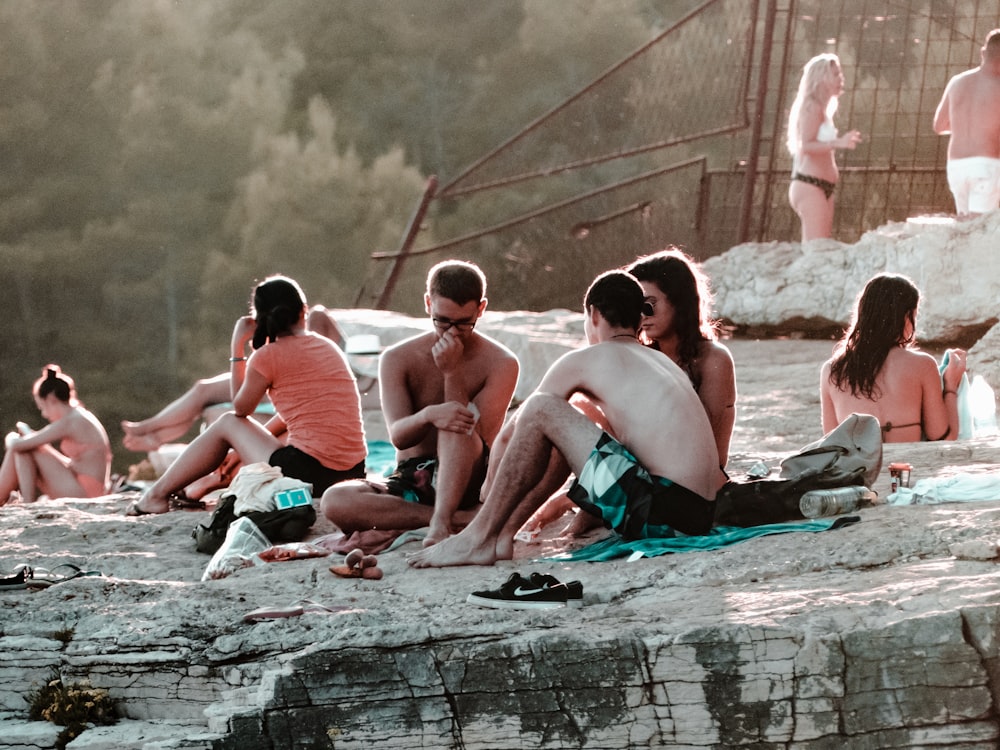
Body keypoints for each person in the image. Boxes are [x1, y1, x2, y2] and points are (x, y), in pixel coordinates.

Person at [408, 270, 726, 568]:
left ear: (594, 315)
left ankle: (478, 536)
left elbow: (523, 422)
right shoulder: (658, 361)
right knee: (562, 423)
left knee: (545, 407)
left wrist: (487, 490)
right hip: (696, 516)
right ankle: (501, 537)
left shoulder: (584, 359)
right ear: (639, 319)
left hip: (661, 517)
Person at [320, 260, 519, 547]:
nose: (452, 331)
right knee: (335, 500)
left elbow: (478, 435)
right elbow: (400, 437)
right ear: (428, 304)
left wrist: (452, 373)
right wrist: (428, 415)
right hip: (413, 480)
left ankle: (441, 520)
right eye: (442, 320)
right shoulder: (397, 358)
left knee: (456, 420)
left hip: (469, 478)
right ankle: (453, 519)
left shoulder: (502, 362)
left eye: (464, 323)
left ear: (481, 309)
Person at [126, 276, 365, 515]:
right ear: (304, 311)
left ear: (258, 320)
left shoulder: (268, 356)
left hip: (309, 475)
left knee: (228, 423)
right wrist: (243, 446)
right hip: (352, 474)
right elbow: (297, 415)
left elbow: (240, 410)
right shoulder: (326, 346)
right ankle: (197, 489)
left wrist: (237, 347)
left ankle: (155, 496)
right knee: (276, 435)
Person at [121, 305, 346, 452]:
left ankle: (151, 432)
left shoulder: (320, 326)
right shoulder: (286, 328)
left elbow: (242, 406)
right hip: (272, 373)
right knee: (203, 390)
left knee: (215, 403)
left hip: (285, 384)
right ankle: (154, 434)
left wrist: (241, 348)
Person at [820, 273, 966, 443]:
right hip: (907, 467)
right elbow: (944, 438)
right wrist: (951, 385)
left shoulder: (831, 371)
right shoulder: (922, 365)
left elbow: (831, 444)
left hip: (859, 469)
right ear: (906, 317)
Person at [0, 365, 112, 505]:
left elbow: (17, 445)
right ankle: (22, 500)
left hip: (85, 493)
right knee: (29, 448)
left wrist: (11, 437)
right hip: (85, 486)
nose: (44, 414)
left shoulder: (71, 421)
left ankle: (23, 501)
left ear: (51, 398)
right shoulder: (78, 416)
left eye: (42, 407)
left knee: (22, 447)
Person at [786, 53, 862, 241]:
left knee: (821, 248)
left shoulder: (824, 109)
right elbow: (806, 145)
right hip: (810, 184)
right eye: (835, 74)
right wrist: (838, 143)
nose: (840, 79)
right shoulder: (811, 107)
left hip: (823, 187)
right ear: (821, 78)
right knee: (816, 250)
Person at [933, 29, 1000, 217]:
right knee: (978, 229)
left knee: (964, 227)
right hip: (986, 166)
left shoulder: (957, 82)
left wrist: (968, 125)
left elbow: (939, 126)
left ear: (983, 53)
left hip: (956, 167)